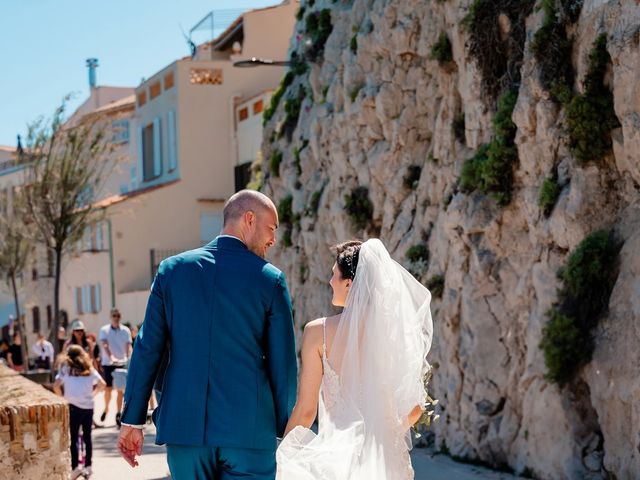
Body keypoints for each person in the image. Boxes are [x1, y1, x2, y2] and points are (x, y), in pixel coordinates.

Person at [118, 190, 297, 480]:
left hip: (185, 430)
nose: (273, 240)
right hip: (248, 432)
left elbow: (147, 347)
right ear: (249, 219)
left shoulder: (171, 271)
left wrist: (133, 420)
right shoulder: (270, 279)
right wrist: (283, 426)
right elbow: (283, 365)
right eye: (271, 228)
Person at [276, 239, 433, 479]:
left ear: (349, 283)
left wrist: (281, 454)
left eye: (334, 275)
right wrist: (382, 436)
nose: (330, 281)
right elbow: (414, 408)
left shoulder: (318, 333)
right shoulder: (396, 336)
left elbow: (307, 411)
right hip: (387, 463)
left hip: (337, 461)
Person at [53, 345, 106, 479]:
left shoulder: (66, 368)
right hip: (88, 407)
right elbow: (102, 384)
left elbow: (56, 386)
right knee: (87, 437)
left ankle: (75, 468)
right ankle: (88, 467)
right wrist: (92, 394)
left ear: (68, 356)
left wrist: (62, 397)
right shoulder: (89, 368)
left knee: (74, 437)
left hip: (73, 407)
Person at [98, 308, 132, 426]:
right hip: (108, 363)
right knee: (108, 389)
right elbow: (104, 344)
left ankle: (118, 413)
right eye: (114, 316)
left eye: (118, 315)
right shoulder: (105, 330)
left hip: (121, 362)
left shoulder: (125, 330)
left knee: (120, 389)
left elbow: (128, 345)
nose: (116, 318)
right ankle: (106, 409)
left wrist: (127, 357)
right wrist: (111, 357)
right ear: (110, 317)